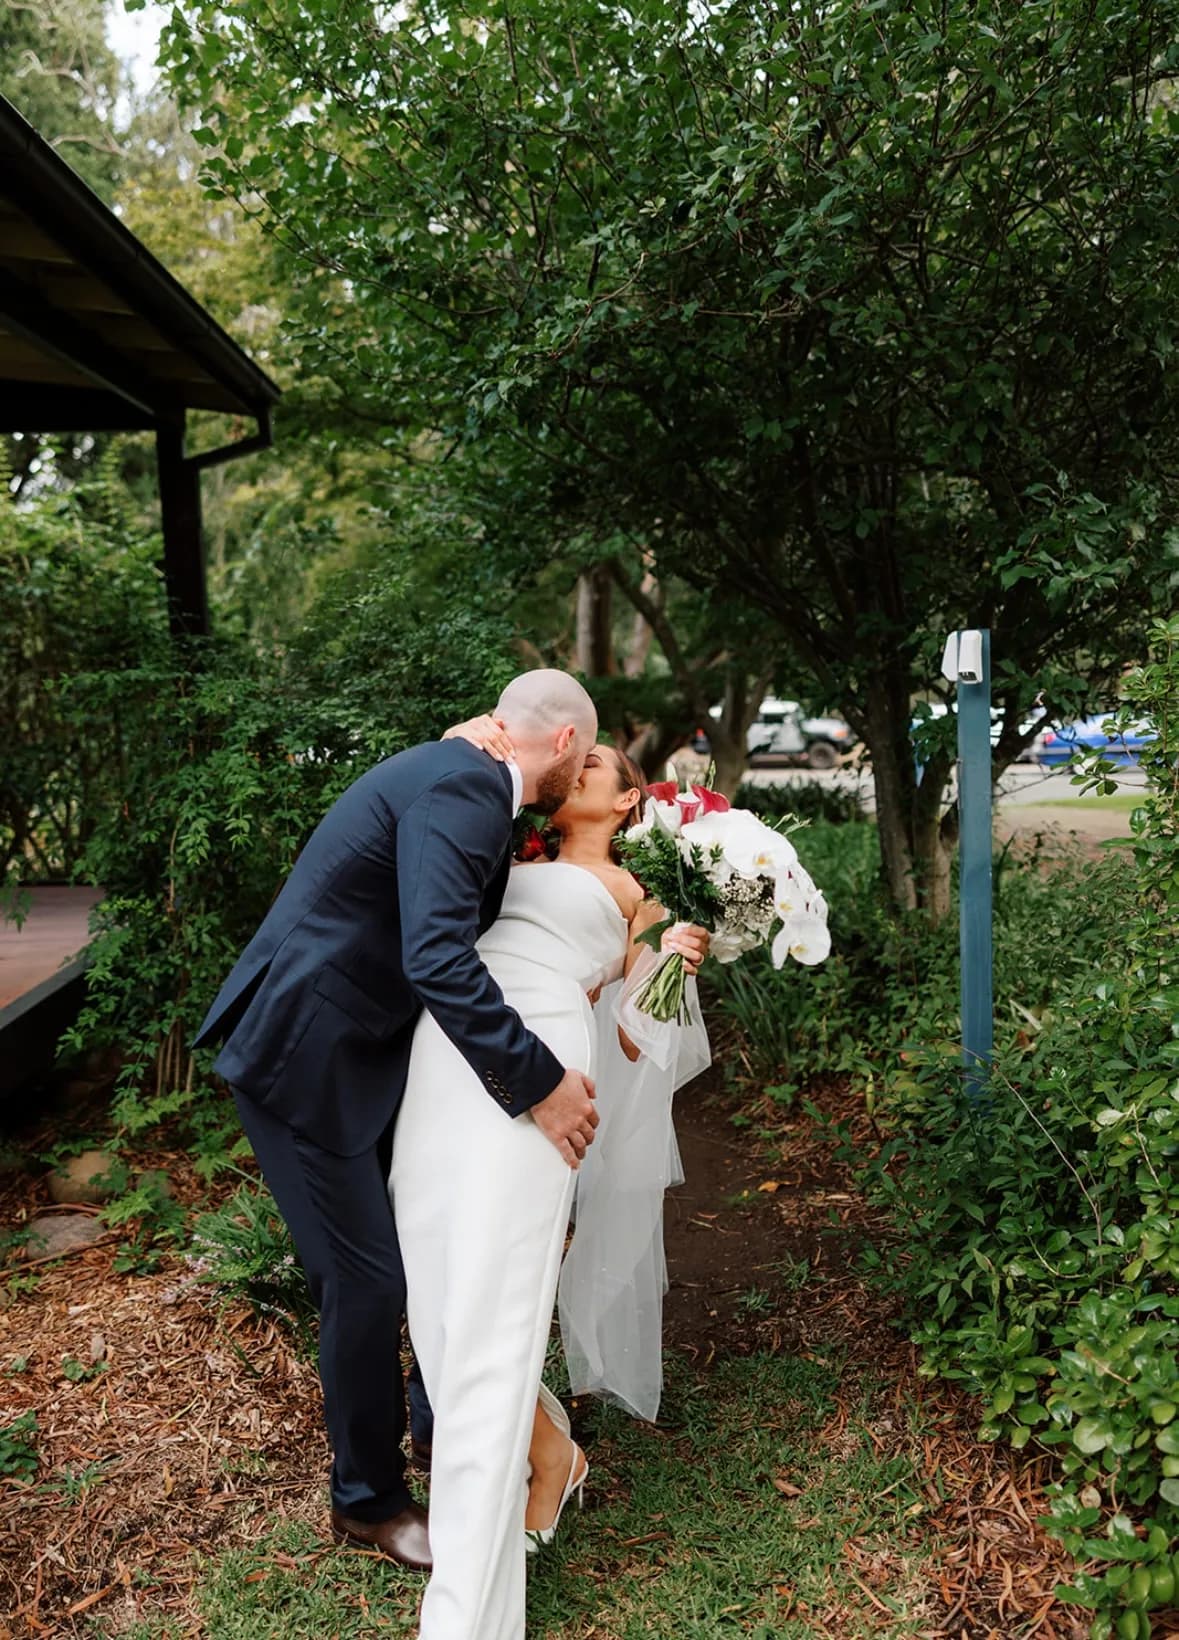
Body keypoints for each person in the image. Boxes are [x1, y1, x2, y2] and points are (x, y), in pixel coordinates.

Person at [192, 670, 604, 1571]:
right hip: (304, 1061)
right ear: (566, 742)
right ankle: (368, 1503)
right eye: (593, 752)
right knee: (367, 1282)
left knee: (403, 1268)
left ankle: (441, 1446)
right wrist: (540, 1084)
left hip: (354, 1057)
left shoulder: (463, 776)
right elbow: (436, 958)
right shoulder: (464, 783)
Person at [391, 734, 709, 1640]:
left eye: (600, 769)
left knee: (495, 1286)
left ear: (623, 805)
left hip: (544, 1079)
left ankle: (471, 1588)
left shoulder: (636, 898)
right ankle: (549, 1450)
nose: (582, 771)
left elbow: (645, 1040)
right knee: (437, 1287)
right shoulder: (503, 851)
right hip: (451, 1059)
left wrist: (671, 966)